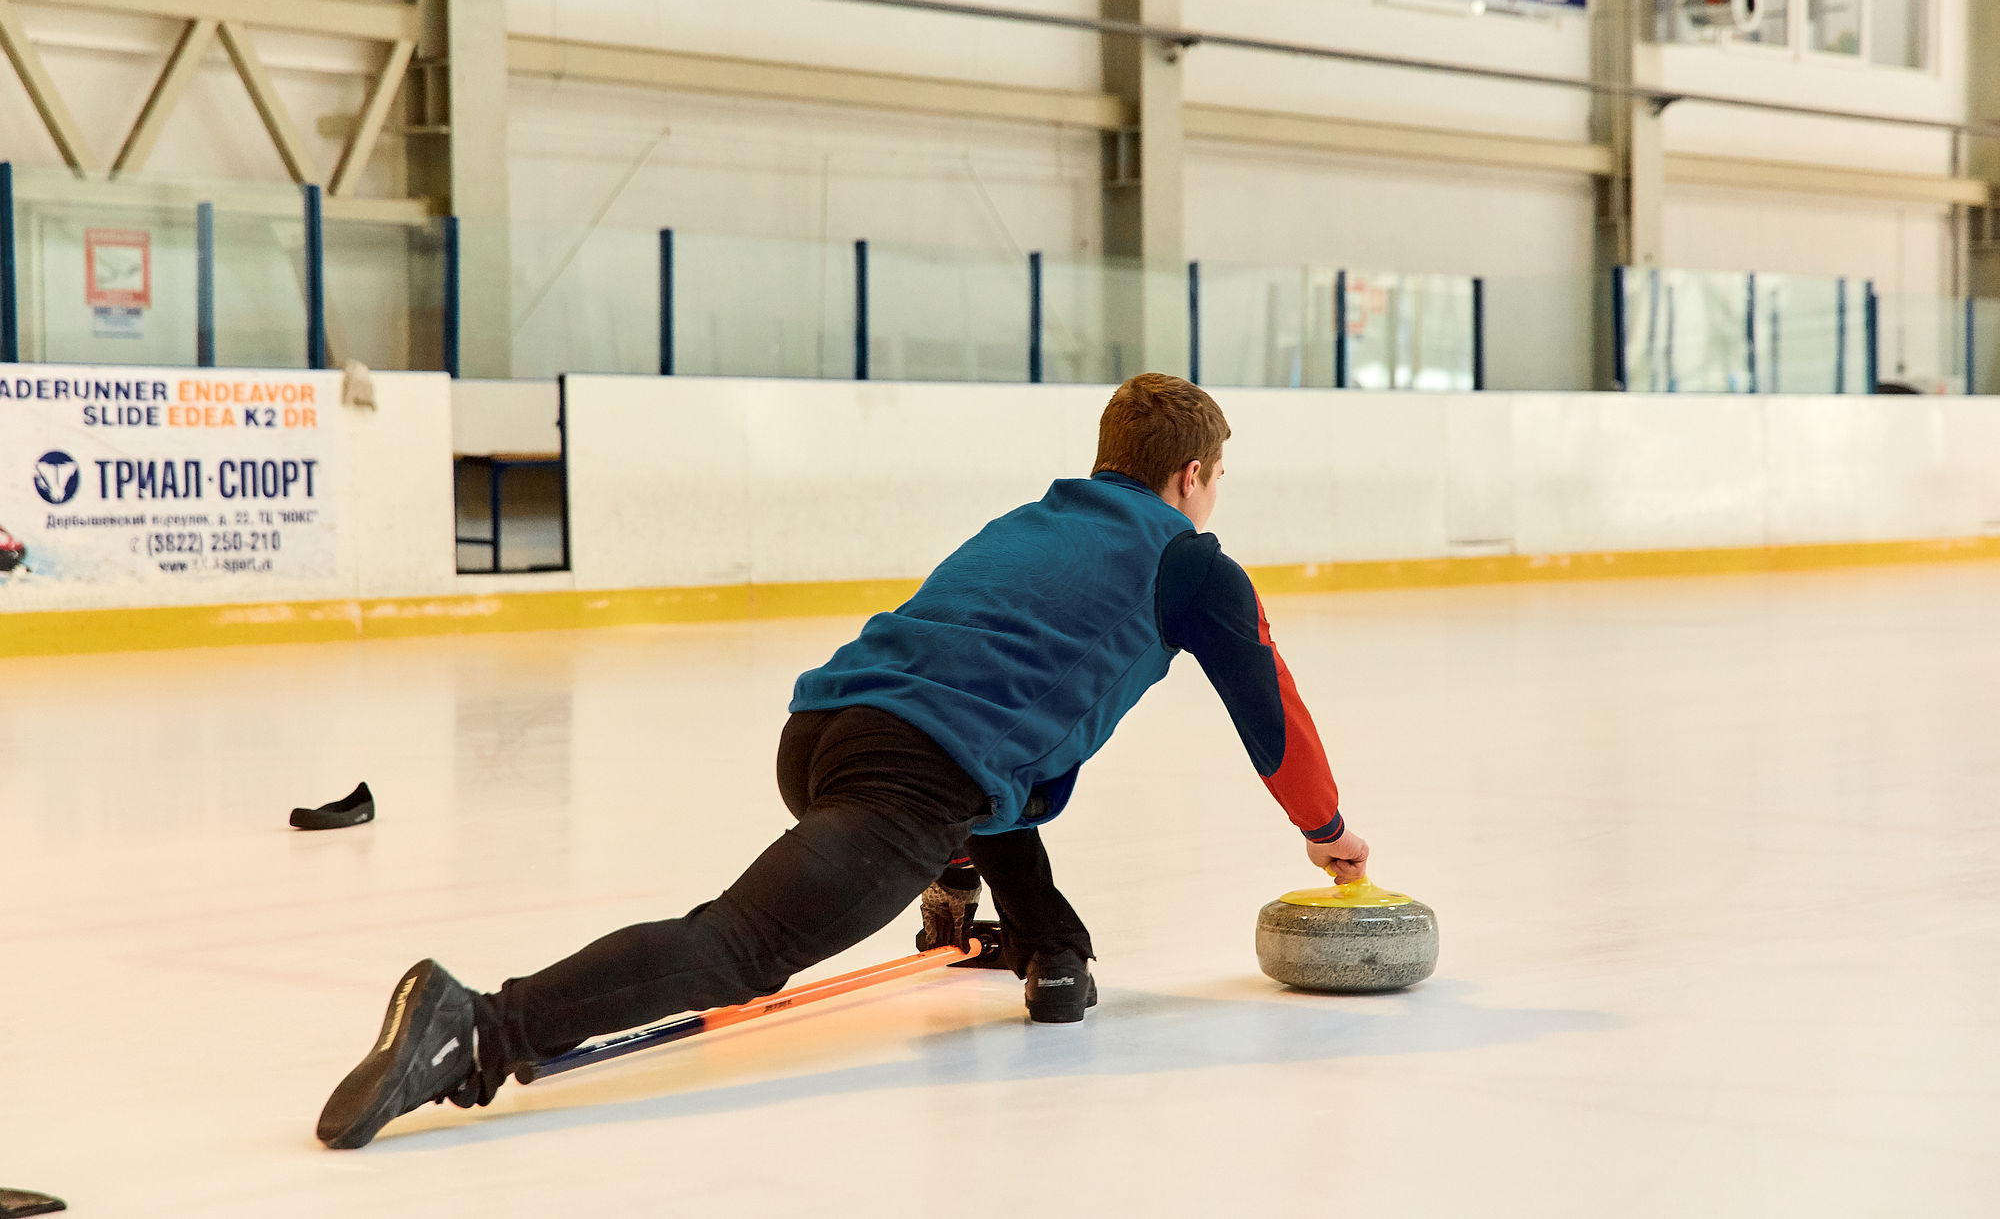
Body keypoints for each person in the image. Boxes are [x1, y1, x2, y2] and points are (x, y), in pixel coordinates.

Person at [317, 373, 1370, 1150]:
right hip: (907, 777)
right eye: (1217, 477)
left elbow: (982, 680)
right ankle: (482, 1027)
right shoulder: (1188, 563)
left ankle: (1021, 924)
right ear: (1189, 475)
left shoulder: (1032, 519)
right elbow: (1269, 710)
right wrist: (1326, 833)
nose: (1215, 494)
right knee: (736, 946)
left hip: (820, 731)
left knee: (997, 774)